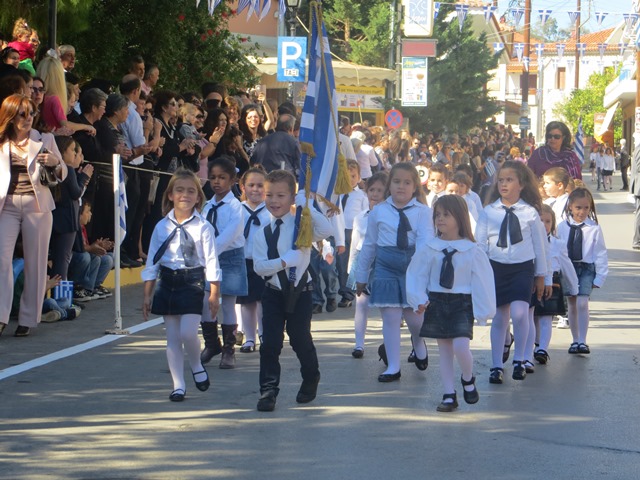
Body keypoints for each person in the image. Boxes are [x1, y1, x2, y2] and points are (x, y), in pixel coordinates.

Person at [252, 170, 332, 411]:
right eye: (269, 195)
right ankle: (268, 390)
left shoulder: (302, 225)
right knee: (270, 344)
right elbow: (259, 267)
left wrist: (307, 205)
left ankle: (310, 377)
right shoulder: (262, 233)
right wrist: (285, 261)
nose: (274, 201)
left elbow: (326, 230)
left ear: (291, 197)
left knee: (300, 339)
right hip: (274, 292)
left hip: (301, 292)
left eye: (281, 195)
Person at [407, 195, 495, 412]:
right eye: (437, 215)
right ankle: (448, 394)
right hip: (436, 301)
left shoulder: (472, 250)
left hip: (461, 302)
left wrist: (484, 310)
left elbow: (482, 281)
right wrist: (418, 299)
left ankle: (467, 378)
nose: (440, 219)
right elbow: (416, 274)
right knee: (444, 350)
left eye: (446, 214)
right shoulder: (430, 248)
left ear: (460, 217)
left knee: (460, 346)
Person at [142, 168, 221, 402]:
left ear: (198, 197)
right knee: (173, 337)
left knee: (188, 332)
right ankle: (178, 385)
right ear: (170, 195)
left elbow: (211, 261)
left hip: (192, 281)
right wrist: (147, 294)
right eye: (179, 190)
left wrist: (214, 292)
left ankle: (196, 364)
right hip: (167, 281)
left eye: (191, 191)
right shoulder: (161, 227)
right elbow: (152, 261)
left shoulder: (203, 226)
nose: (185, 195)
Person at [355, 163, 433, 382]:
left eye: (407, 182)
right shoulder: (379, 211)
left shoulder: (423, 212)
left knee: (414, 319)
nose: (401, 186)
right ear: (390, 185)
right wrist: (361, 276)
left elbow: (425, 242)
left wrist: (420, 277)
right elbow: (369, 244)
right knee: (390, 317)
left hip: (413, 268)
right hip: (385, 268)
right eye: (397, 182)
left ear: (415, 187)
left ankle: (418, 342)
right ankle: (394, 367)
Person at [0, 94, 67, 337]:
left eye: (31, 113)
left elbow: (64, 173)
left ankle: (28, 318)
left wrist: (54, 161)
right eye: (22, 114)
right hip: (6, 205)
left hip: (37, 206)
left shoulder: (44, 138)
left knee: (36, 263)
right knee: (1, 258)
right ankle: (1, 315)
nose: (28, 118)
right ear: (10, 116)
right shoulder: (2, 142)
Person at [476, 161, 547, 384]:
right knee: (499, 318)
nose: (504, 184)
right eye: (501, 180)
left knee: (519, 313)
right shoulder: (489, 212)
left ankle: (520, 359)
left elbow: (540, 247)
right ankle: (496, 365)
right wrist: (479, 274)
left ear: (522, 184)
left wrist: (542, 276)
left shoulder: (530, 213)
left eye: (509, 180)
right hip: (496, 268)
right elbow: (480, 244)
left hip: (522, 269)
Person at [201, 156, 247, 369]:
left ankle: (229, 350)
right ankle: (212, 344)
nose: (216, 182)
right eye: (213, 178)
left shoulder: (236, 206)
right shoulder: (207, 206)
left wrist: (208, 253)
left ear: (233, 180)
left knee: (228, 303)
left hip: (229, 258)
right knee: (206, 302)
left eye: (222, 178)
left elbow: (230, 234)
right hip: (209, 258)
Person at [557, 188, 608, 355]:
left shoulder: (593, 228)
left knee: (582, 303)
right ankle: (575, 340)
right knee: (572, 304)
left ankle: (583, 341)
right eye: (578, 207)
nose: (582, 212)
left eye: (586, 208)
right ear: (570, 207)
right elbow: (557, 251)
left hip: (586, 268)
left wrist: (600, 276)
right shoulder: (562, 227)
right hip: (569, 267)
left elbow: (600, 252)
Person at [526, 205, 578, 366]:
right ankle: (535, 344)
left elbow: (566, 264)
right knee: (532, 317)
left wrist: (573, 286)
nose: (544, 225)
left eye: (548, 221)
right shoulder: (527, 242)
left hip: (552, 282)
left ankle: (543, 349)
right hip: (532, 281)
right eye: (540, 221)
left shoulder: (558, 243)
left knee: (546, 317)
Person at [348, 172, 387, 357]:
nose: (375, 193)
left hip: (383, 262)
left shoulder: (390, 216)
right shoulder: (360, 217)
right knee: (361, 304)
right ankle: (359, 344)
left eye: (380, 190)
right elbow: (355, 243)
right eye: (372, 189)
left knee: (386, 307)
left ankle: (388, 343)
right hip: (363, 261)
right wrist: (350, 266)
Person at [235, 167, 270, 353]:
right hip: (244, 261)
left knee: (263, 302)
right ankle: (249, 338)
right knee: (246, 302)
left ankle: (265, 335)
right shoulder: (237, 210)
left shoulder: (271, 211)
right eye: (251, 185)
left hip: (263, 262)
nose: (255, 189)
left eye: (260, 185)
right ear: (243, 187)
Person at [50, 136, 93, 280]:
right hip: (67, 222)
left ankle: (59, 297)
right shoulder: (66, 169)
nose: (75, 154)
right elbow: (76, 193)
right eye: (72, 150)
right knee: (63, 262)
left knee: (59, 260)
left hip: (56, 220)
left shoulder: (56, 169)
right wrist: (84, 177)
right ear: (62, 152)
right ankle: (62, 299)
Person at [336, 160, 368, 309]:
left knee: (350, 264)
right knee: (340, 264)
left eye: (353, 176)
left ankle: (348, 293)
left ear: (359, 177)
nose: (349, 179)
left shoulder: (361, 195)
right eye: (345, 176)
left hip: (353, 232)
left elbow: (365, 214)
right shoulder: (336, 194)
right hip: (338, 230)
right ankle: (343, 291)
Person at [69, 201, 114, 302]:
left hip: (84, 256)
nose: (90, 214)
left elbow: (87, 247)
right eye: (87, 211)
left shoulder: (83, 228)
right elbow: (78, 248)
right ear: (79, 214)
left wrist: (98, 246)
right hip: (74, 260)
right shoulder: (74, 227)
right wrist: (92, 248)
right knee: (86, 257)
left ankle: (93, 287)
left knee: (109, 257)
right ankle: (78, 287)